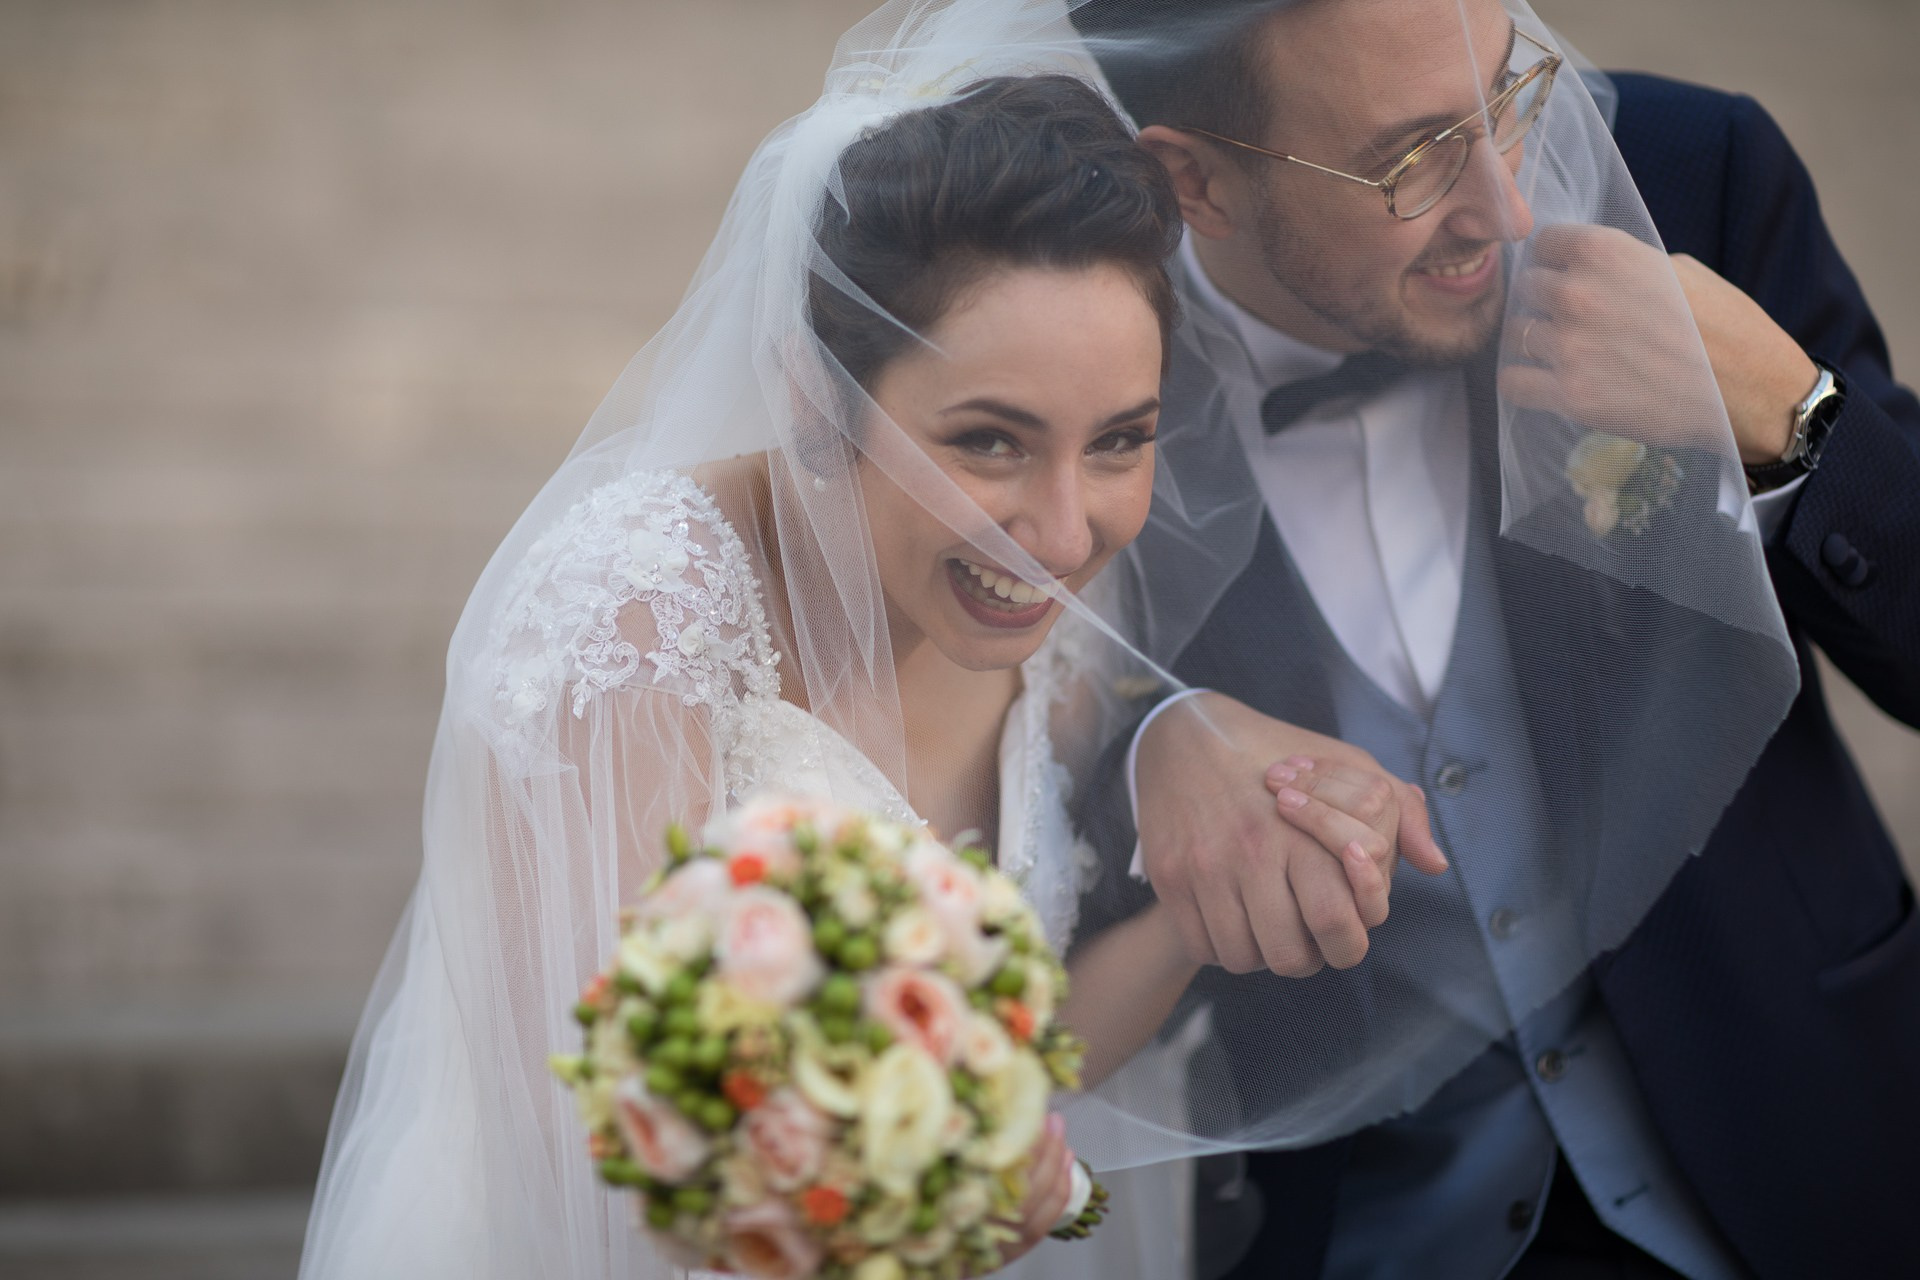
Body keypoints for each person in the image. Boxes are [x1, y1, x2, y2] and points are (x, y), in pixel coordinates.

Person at [296, 47, 1350, 1276]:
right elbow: (594, 1141)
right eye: (991, 441)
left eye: (1119, 440)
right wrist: (939, 1202)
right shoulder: (639, 613)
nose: (1067, 535)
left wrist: (1202, 905)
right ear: (813, 400)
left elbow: (1014, 1045)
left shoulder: (1038, 615)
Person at [1068, 0, 1920, 1276]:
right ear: (1195, 181)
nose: (1510, 207)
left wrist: (1801, 421)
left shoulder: (1690, 179)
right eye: (1410, 160)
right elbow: (982, 785)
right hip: (1374, 1228)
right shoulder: (1068, 345)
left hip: (1809, 1147)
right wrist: (1151, 745)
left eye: (1510, 94)